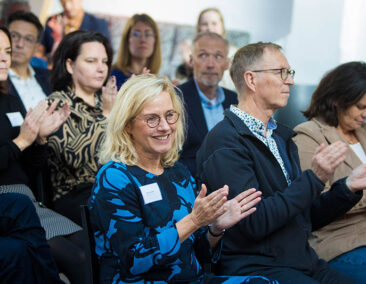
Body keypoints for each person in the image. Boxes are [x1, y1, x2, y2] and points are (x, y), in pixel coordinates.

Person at [196, 42, 366, 283]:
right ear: (251, 80)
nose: (289, 81)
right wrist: (315, 178)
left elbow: (306, 217)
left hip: (301, 261)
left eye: (290, 73)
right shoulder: (225, 142)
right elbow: (254, 224)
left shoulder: (281, 137)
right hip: (258, 269)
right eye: (281, 72)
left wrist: (349, 187)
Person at [88, 74, 277, 283]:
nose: (165, 127)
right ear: (127, 126)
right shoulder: (115, 177)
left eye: (170, 115)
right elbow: (133, 261)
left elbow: (199, 253)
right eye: (152, 119)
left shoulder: (177, 172)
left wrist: (215, 228)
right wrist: (194, 220)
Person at [293, 61, 366, 284]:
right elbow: (314, 205)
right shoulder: (308, 136)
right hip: (340, 243)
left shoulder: (365, 131)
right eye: (361, 107)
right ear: (337, 101)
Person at [0, 25, 65, 284]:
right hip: (10, 198)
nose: (6, 57)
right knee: (69, 257)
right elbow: (15, 148)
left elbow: (31, 167)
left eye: (6, 51)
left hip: (26, 197)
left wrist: (39, 139)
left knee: (83, 245)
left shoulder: (9, 99)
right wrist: (21, 141)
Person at [47, 30, 117, 225]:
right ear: (70, 65)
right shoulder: (57, 104)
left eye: (104, 62)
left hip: (113, 187)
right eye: (91, 61)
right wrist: (106, 117)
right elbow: (73, 157)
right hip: (75, 195)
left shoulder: (107, 101)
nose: (101, 68)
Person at [178, 32, 237, 176]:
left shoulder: (236, 101)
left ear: (227, 64)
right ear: (191, 61)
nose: (210, 64)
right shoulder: (175, 98)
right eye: (203, 55)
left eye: (218, 57)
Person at [176, 8, 236, 90]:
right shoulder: (187, 46)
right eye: (205, 24)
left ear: (222, 27)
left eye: (214, 23)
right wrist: (187, 66)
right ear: (198, 28)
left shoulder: (234, 53)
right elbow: (176, 79)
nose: (209, 28)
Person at [39, 0, 110, 65]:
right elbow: (40, 54)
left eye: (71, 1)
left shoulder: (98, 24)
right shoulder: (52, 22)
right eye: (63, 2)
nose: (67, 6)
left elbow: (106, 55)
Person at [7, 11, 51, 114]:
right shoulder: (2, 77)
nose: (20, 44)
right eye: (14, 36)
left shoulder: (49, 77)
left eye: (28, 39)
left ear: (36, 47)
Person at [111, 13, 161, 89]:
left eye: (148, 34)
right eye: (136, 34)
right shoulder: (114, 76)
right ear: (127, 40)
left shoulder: (157, 80)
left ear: (155, 40)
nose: (143, 40)